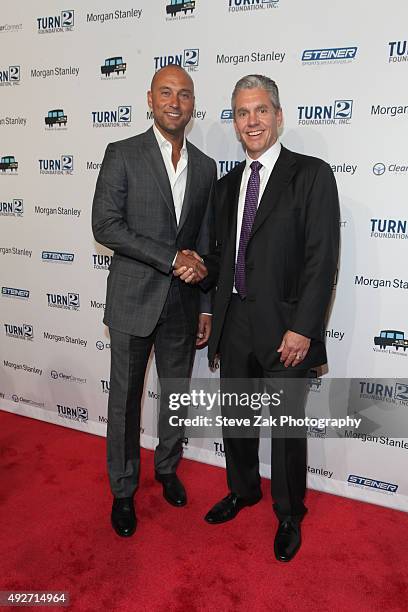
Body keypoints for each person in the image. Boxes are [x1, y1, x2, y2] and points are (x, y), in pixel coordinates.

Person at [191, 74, 339, 562]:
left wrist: (304, 327)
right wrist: (197, 272)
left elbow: (322, 258)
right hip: (235, 320)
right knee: (236, 415)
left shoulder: (312, 174)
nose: (250, 121)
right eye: (240, 113)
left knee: (287, 427)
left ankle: (289, 512)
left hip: (286, 327)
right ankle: (243, 489)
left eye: (259, 110)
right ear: (233, 122)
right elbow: (220, 255)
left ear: (278, 114)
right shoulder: (227, 185)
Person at [92, 65, 216, 537]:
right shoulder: (122, 154)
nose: (175, 102)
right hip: (133, 299)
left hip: (184, 305)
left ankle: (167, 468)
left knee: (176, 394)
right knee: (123, 400)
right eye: (166, 93)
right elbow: (105, 225)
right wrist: (171, 258)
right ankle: (123, 490)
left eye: (184, 95)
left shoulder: (205, 166)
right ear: (150, 98)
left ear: (192, 104)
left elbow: (203, 240)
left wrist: (205, 303)